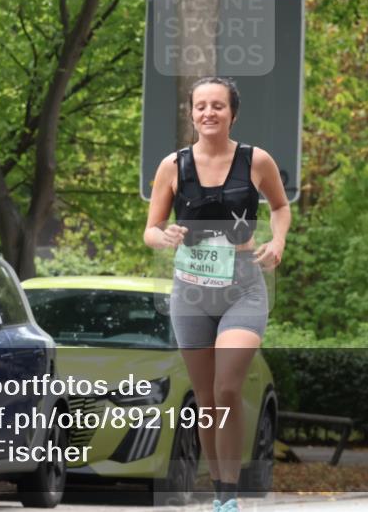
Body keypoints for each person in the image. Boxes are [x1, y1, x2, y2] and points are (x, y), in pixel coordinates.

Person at [144, 77, 290, 512]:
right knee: (206, 397)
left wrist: (278, 242)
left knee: (227, 388)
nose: (209, 113)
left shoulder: (256, 160)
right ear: (191, 113)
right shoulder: (173, 166)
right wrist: (164, 235)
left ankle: (231, 492)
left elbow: (280, 207)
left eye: (218, 106)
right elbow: (150, 229)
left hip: (243, 288)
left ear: (232, 113)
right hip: (190, 293)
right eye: (201, 106)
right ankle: (221, 494)